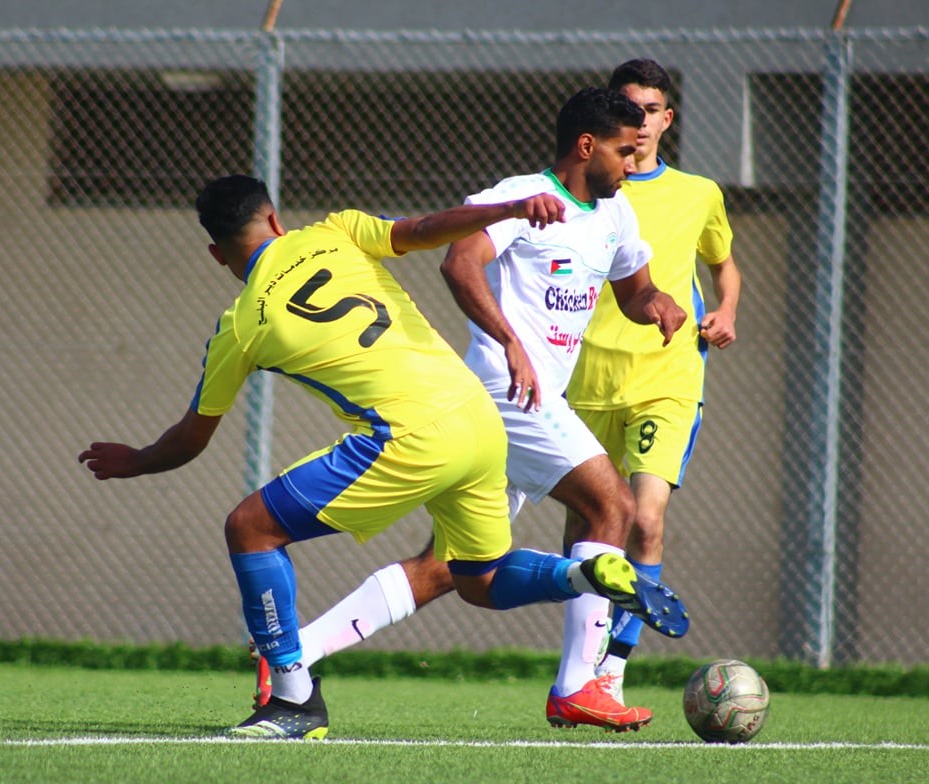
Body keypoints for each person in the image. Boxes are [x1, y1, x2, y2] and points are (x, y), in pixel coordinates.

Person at [77, 172, 688, 741]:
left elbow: (190, 439)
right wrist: (506, 210)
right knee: (479, 580)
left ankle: (293, 699)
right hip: (481, 416)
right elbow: (424, 230)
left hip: (408, 437)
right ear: (276, 218)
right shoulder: (336, 230)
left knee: (250, 528)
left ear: (217, 254)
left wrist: (136, 460)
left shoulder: (240, 325)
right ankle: (581, 574)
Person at [257, 87, 690, 733]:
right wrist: (509, 342)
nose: (633, 163)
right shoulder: (523, 196)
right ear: (586, 146)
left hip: (529, 403)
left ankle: (293, 655)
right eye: (625, 151)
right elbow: (460, 263)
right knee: (613, 506)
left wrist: (657, 303)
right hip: (505, 392)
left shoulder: (616, 213)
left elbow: (635, 289)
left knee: (449, 569)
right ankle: (579, 686)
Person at [564, 59, 742, 712]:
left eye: (651, 111)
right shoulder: (586, 191)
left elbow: (725, 266)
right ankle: (578, 667)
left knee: (644, 520)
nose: (639, 123)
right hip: (586, 383)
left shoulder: (699, 194)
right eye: (628, 109)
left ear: (668, 119)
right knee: (588, 529)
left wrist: (726, 311)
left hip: (667, 379)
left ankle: (612, 668)